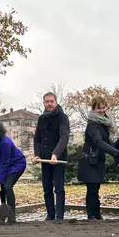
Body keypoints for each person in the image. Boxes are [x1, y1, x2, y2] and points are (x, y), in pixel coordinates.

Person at [77, 96, 119, 220]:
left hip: (98, 158)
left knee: (96, 187)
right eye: (99, 108)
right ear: (93, 108)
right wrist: (115, 153)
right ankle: (92, 215)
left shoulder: (103, 123)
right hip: (89, 159)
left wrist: (118, 154)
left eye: (104, 107)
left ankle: (96, 214)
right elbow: (98, 141)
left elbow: (107, 141)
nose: (102, 110)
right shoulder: (92, 124)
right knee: (92, 188)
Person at [33, 92, 70, 223]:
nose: (49, 104)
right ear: (44, 103)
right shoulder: (41, 118)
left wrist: (56, 154)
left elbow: (64, 137)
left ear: (56, 102)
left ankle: (59, 217)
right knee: (46, 187)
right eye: (47, 101)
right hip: (44, 158)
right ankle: (50, 215)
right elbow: (37, 139)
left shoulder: (63, 117)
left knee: (59, 188)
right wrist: (37, 154)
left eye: (51, 101)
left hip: (58, 158)